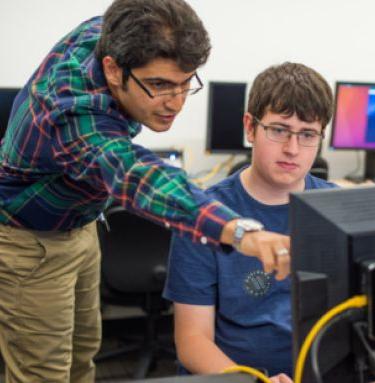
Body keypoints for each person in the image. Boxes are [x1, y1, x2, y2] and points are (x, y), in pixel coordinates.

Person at [0, 1, 291, 382]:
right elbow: (140, 177)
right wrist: (238, 230)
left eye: (186, 82)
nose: (177, 102)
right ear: (112, 69)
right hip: (28, 239)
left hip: (80, 223)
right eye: (159, 85)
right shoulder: (75, 119)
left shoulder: (111, 32)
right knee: (43, 373)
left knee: (82, 355)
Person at [163, 62, 337, 383]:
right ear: (250, 127)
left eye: (308, 134)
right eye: (279, 130)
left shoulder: (337, 211)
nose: (292, 148)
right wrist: (254, 381)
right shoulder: (207, 216)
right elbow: (192, 341)